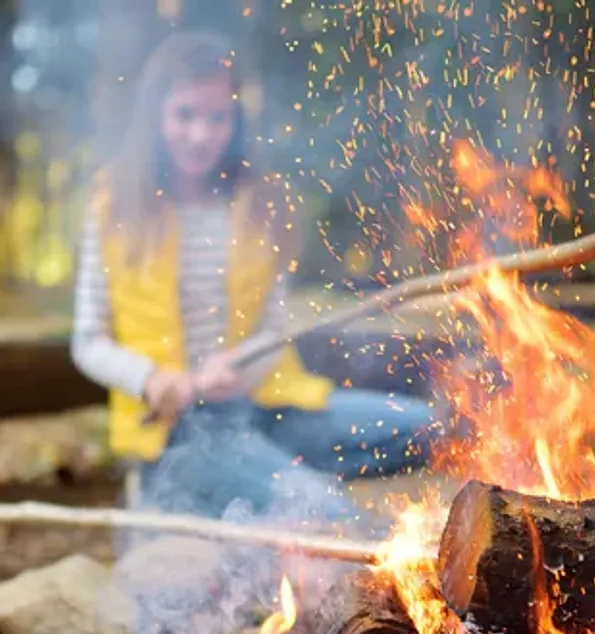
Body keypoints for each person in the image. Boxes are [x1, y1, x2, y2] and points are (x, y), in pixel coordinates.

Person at [71, 31, 443, 536]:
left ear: (236, 119)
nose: (201, 134)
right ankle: (232, 481)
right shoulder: (113, 203)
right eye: (185, 115)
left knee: (429, 426)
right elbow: (88, 340)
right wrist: (150, 379)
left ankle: (265, 471)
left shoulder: (264, 201)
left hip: (270, 406)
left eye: (217, 117)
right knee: (326, 513)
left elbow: (273, 324)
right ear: (156, 115)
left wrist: (243, 371)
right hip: (178, 431)